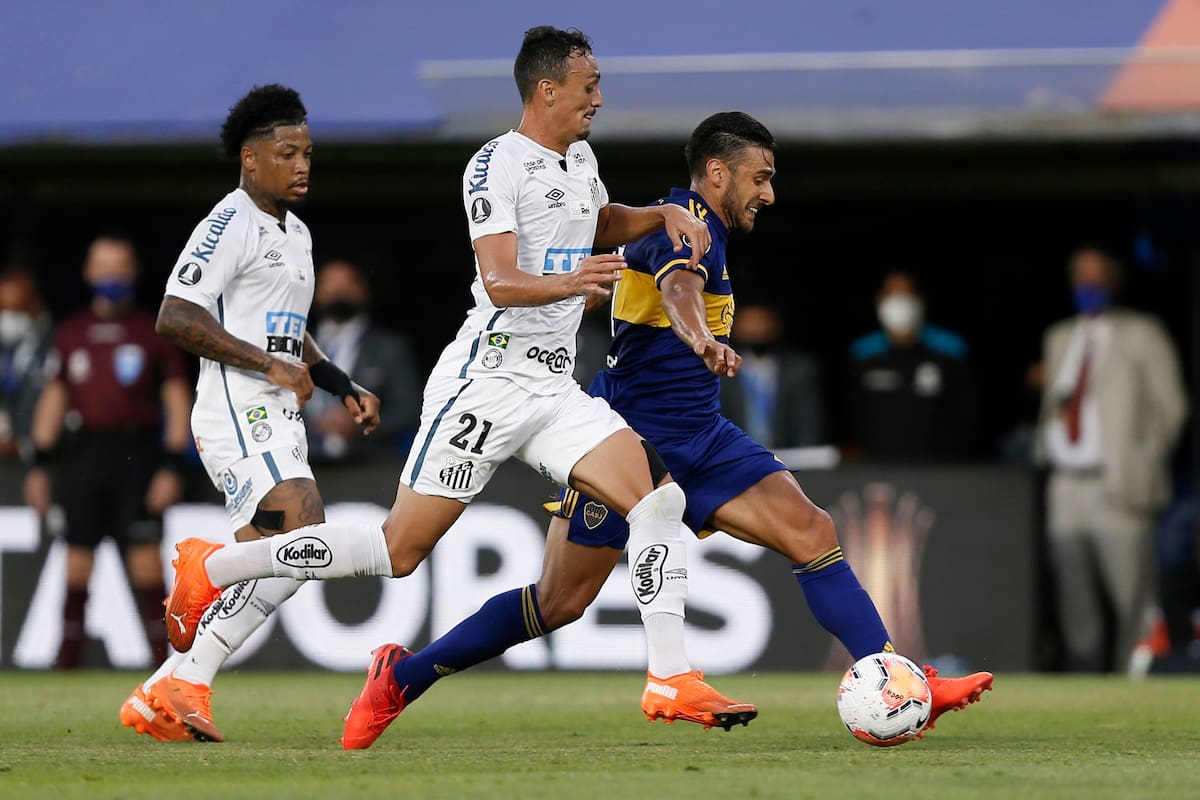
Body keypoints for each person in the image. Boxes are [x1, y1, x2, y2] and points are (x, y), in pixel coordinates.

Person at [337, 111, 994, 745]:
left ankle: (906, 681)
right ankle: (401, 678)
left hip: (703, 436)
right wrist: (702, 337)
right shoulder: (672, 227)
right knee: (560, 601)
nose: (769, 192)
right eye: (759, 177)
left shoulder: (709, 231)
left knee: (813, 530)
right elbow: (679, 289)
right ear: (716, 172)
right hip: (627, 442)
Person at [162, 26, 722, 749]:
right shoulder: (494, 165)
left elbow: (597, 219)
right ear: (547, 89)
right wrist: (571, 279)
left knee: (660, 497)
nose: (599, 98)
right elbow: (499, 279)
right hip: (484, 384)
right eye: (590, 86)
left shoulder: (581, 159)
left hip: (551, 389)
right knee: (399, 551)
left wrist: (660, 215)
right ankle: (218, 563)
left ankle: (670, 676)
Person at [119, 84, 382, 742]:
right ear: (249, 158)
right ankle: (201, 583)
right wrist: (266, 365)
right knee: (305, 523)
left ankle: (165, 689)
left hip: (277, 410)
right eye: (287, 152)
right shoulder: (229, 221)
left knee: (289, 561)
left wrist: (337, 380)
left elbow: (286, 330)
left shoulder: (296, 232)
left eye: (308, 154)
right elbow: (175, 315)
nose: (302, 166)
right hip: (237, 405)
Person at [21, 236, 192, 670]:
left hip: (136, 455)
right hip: (82, 454)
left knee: (147, 564)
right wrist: (40, 465)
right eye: (103, 266)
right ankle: (67, 665)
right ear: (88, 273)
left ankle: (165, 667)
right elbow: (54, 399)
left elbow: (176, 401)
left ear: (132, 272)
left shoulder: (154, 332)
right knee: (76, 561)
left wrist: (172, 464)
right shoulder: (70, 332)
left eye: (119, 266)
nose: (111, 274)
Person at [1035, 245, 1186, 673]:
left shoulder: (1143, 332)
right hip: (1066, 483)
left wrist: (1143, 458)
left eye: (1098, 275)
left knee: (1132, 593)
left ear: (1114, 280)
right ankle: (1084, 678)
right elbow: (1056, 402)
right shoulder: (1060, 336)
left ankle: (1135, 676)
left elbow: (1171, 407)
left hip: (1116, 482)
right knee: (1073, 595)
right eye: (1081, 276)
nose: (1089, 284)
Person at [846, 270, 977, 461]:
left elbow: (966, 414)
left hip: (940, 466)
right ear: (879, 300)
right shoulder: (863, 353)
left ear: (920, 300)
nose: (899, 303)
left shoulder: (950, 350)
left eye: (906, 294)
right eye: (892, 295)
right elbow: (853, 415)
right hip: (878, 466)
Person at [306, 258, 421, 463]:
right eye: (330, 284)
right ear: (315, 292)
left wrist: (359, 425)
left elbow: (409, 410)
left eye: (347, 284)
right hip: (304, 462)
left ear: (363, 290)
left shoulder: (390, 348)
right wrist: (312, 425)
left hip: (371, 466)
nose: (339, 291)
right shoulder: (294, 346)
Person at [720, 299, 826, 448]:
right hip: (735, 457)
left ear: (775, 326)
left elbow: (809, 421)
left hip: (791, 457)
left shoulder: (799, 369)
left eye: (761, 322)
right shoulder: (720, 371)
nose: (755, 330)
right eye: (749, 322)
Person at [0, 265, 53, 461]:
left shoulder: (57, 345)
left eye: (16, 310)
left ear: (36, 304)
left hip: (41, 464)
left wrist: (23, 446)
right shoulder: (4, 349)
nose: (7, 319)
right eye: (2, 310)